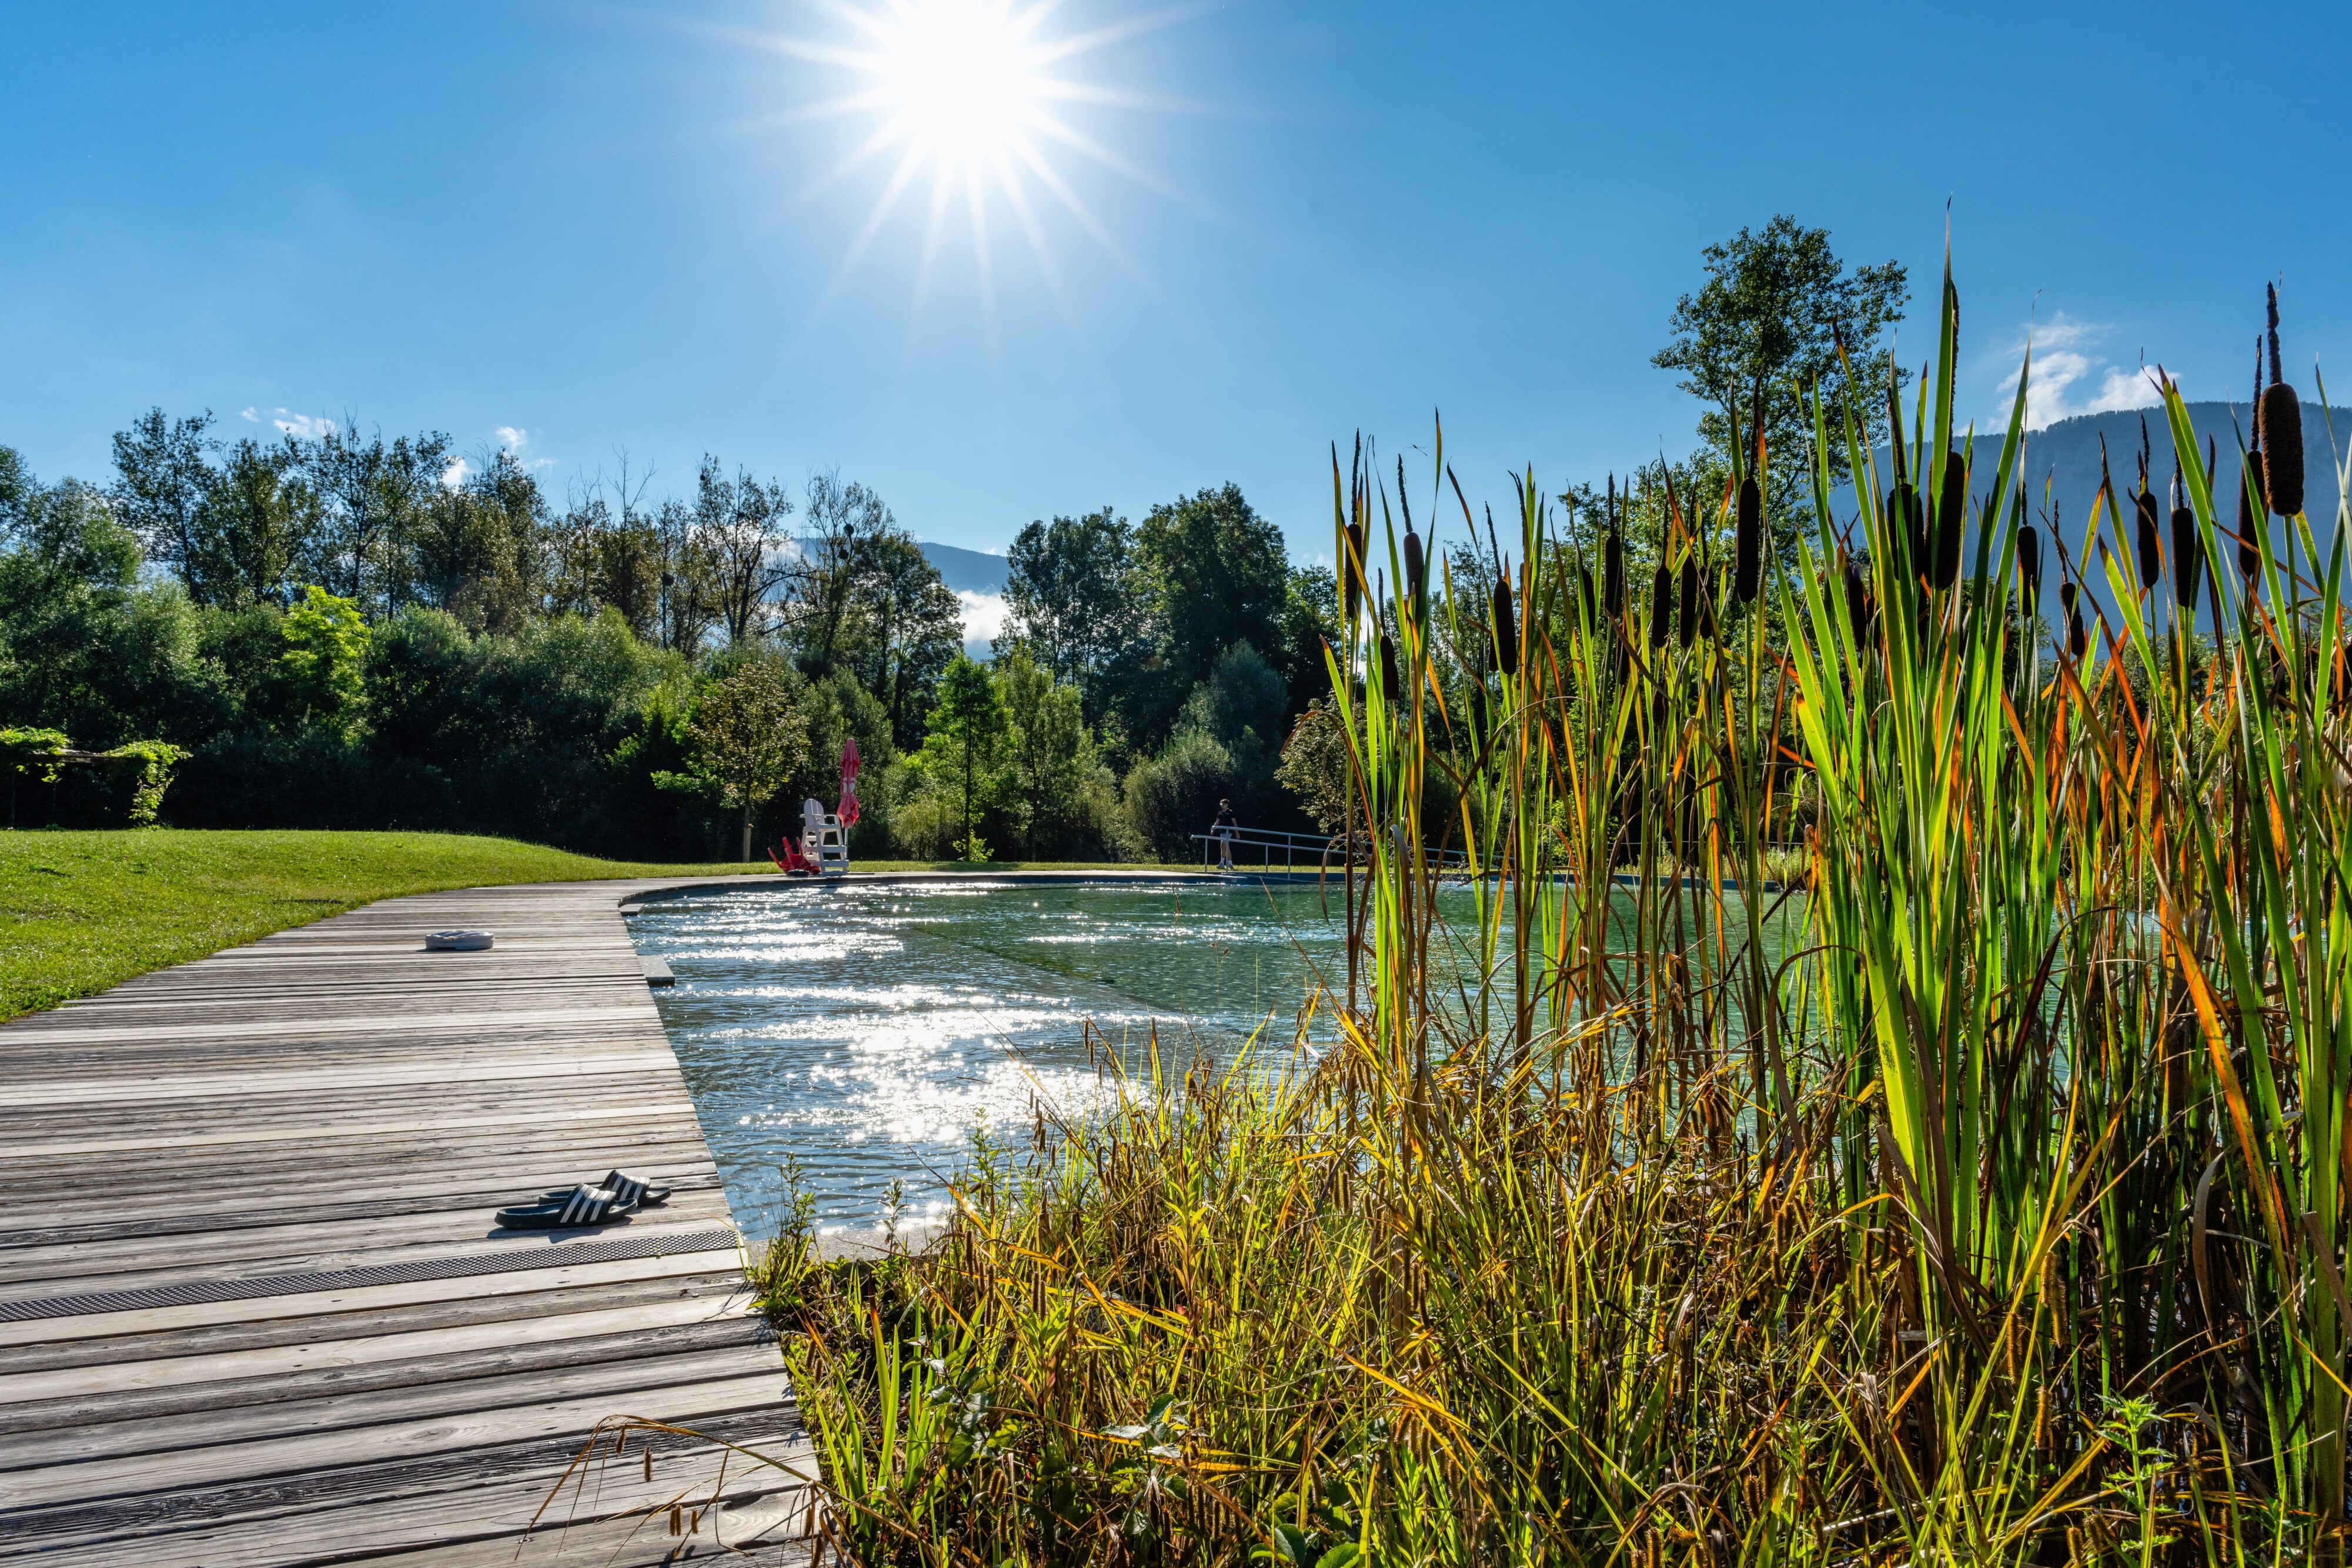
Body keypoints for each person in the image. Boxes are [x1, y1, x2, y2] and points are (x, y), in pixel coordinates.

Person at [1211, 798, 1238, 870]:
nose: (1223, 806)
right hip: (1222, 831)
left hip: (1229, 831)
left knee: (1224, 844)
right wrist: (1213, 829)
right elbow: (1217, 822)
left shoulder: (1231, 812)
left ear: (1227, 805)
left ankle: (1223, 863)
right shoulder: (1220, 813)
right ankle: (1229, 864)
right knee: (1224, 847)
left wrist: (1237, 832)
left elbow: (1234, 823)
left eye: (1224, 805)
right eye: (1222, 805)